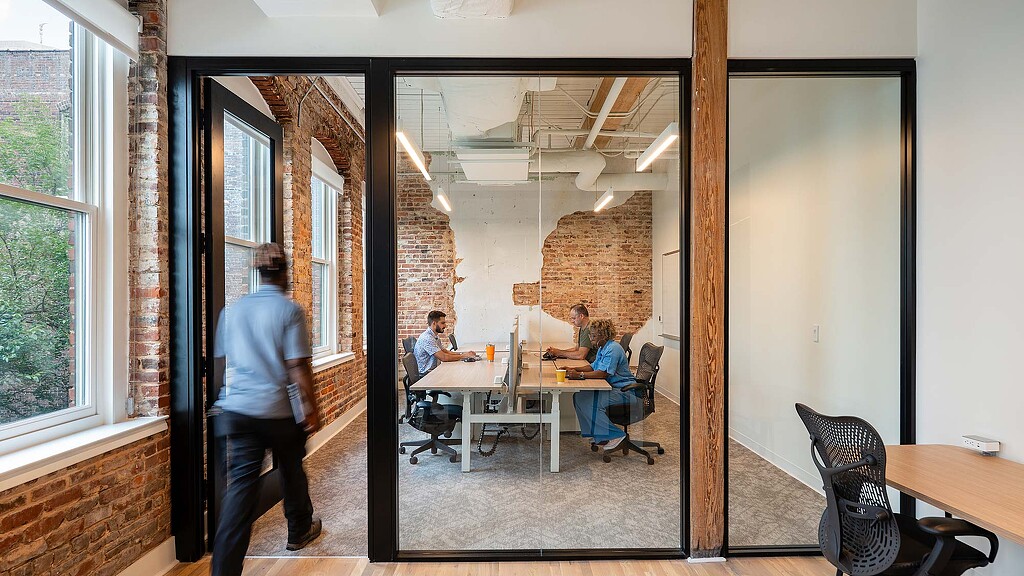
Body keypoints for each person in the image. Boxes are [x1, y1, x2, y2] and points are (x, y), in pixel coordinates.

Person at [211, 243, 322, 576]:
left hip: (237, 411)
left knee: (240, 492)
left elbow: (224, 360)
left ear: (257, 273)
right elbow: (297, 366)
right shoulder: (289, 311)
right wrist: (311, 408)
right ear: (285, 272)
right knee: (291, 467)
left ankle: (224, 571)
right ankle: (299, 529)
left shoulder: (232, 312)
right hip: (276, 409)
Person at [568, 319, 641, 452]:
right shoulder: (603, 347)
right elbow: (593, 366)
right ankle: (598, 434)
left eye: (594, 336)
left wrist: (579, 376)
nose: (591, 338)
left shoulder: (613, 349)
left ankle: (616, 436)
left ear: (604, 335)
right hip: (615, 389)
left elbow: (602, 374)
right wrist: (574, 369)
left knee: (589, 402)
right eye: (591, 335)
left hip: (627, 392)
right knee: (579, 396)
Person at [413, 310, 477, 374]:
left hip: (434, 370)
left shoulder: (434, 336)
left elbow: (444, 351)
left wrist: (463, 354)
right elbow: (443, 357)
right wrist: (464, 356)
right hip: (426, 375)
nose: (445, 326)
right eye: (442, 323)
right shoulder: (427, 338)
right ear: (434, 323)